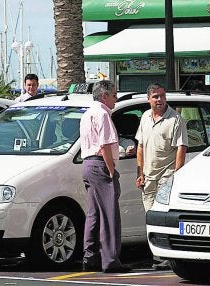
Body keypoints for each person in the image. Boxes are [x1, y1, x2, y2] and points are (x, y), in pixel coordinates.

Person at [135, 83, 188, 269]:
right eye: (156, 96)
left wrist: (176, 175)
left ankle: (166, 256)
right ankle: (157, 253)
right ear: (148, 99)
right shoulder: (145, 118)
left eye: (162, 96)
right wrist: (139, 173)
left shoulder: (175, 119)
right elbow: (140, 146)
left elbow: (181, 148)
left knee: (164, 217)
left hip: (167, 176)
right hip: (148, 177)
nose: (159, 100)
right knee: (150, 215)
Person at [80, 80, 131, 273]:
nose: (116, 99)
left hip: (88, 164)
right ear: (104, 96)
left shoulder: (87, 113)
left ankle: (90, 257)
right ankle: (110, 260)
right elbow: (105, 145)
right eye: (114, 95)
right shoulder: (102, 114)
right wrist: (111, 170)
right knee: (109, 215)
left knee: (93, 214)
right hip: (100, 164)